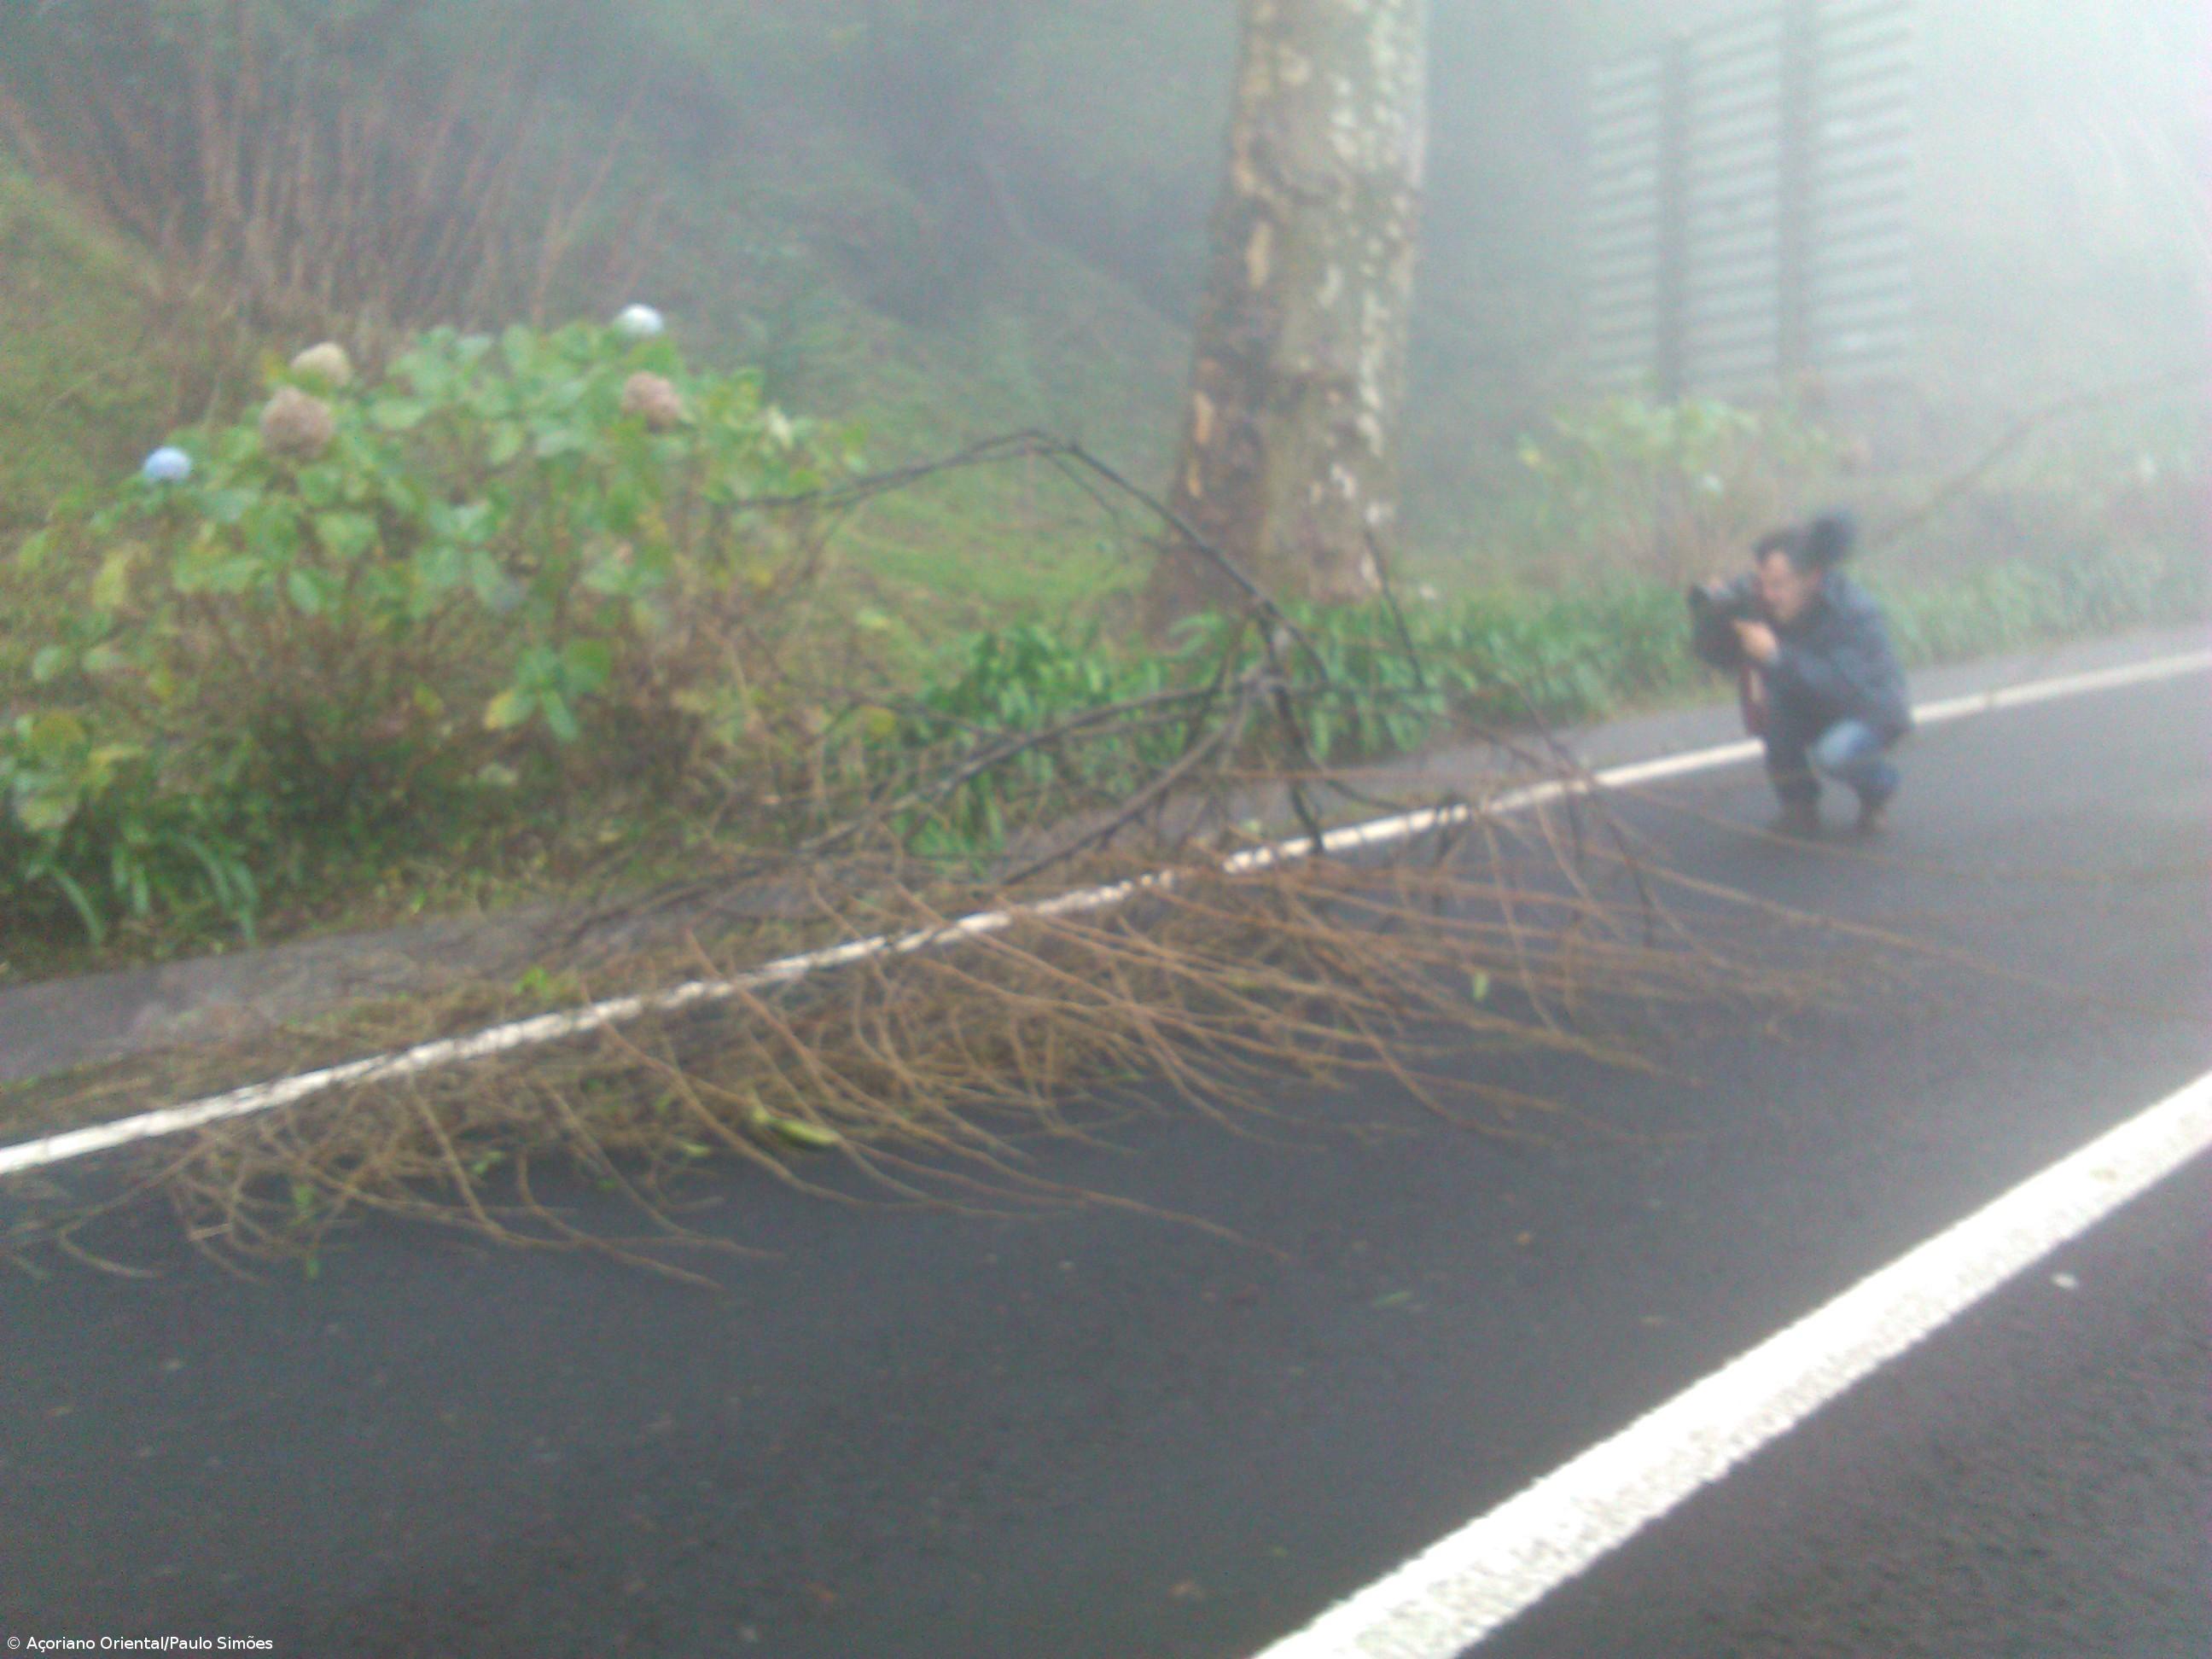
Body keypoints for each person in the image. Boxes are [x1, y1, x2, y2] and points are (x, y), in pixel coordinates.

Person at [1690, 513, 1912, 835]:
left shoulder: (1855, 612)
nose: (1768, 594)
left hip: (1866, 709)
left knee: (1835, 753)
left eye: (1778, 585)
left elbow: (1842, 689)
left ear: (1812, 578)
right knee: (1771, 704)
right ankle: (1799, 806)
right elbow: (1715, 657)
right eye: (1762, 583)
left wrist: (1776, 657)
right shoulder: (1760, 595)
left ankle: (1879, 790)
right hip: (1808, 699)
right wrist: (1717, 618)